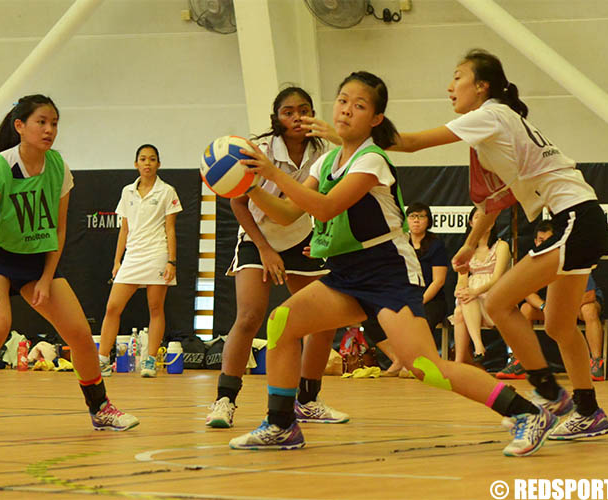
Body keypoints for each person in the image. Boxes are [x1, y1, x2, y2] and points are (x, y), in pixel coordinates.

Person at [230, 71, 555, 457]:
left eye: (360, 105)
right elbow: (287, 214)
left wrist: (269, 173)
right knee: (282, 323)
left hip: (388, 274)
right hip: (347, 274)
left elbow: (325, 207)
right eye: (343, 100)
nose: (347, 109)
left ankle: (526, 411)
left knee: (427, 368)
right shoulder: (328, 161)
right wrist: (248, 185)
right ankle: (282, 425)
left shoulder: (373, 160)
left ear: (376, 120)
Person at [390, 49, 608, 440]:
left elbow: (409, 143)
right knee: (561, 324)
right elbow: (494, 204)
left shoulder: (488, 116)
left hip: (575, 216)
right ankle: (589, 411)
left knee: (496, 302)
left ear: (482, 86)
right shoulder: (500, 125)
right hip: (580, 216)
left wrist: (352, 130)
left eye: (457, 76)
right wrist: (470, 244)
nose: (449, 86)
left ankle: (549, 393)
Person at [0, 94, 138, 435]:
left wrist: (46, 278)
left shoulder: (59, 167)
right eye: (41, 122)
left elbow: (59, 229)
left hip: (35, 258)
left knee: (79, 334)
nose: (49, 130)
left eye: (54, 123)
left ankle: (100, 408)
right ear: (20, 126)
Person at [206, 86, 347, 429]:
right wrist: (265, 250)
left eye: (304, 110)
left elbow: (320, 204)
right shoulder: (258, 150)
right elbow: (238, 202)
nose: (297, 117)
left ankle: (308, 400)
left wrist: (323, 241)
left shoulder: (324, 152)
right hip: (258, 238)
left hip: (300, 238)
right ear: (277, 118)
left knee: (325, 321)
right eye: (288, 111)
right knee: (251, 315)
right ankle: (225, 399)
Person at [98, 144, 181, 378]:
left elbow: (171, 229)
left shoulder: (167, 191)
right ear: (136, 164)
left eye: (152, 159)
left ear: (158, 164)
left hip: (157, 254)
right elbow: (124, 229)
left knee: (155, 308)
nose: (147, 163)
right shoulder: (127, 192)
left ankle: (150, 361)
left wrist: (171, 262)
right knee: (112, 307)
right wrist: (117, 262)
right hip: (132, 257)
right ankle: (103, 360)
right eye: (143, 159)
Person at [498, 220, 607, 381]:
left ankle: (596, 362)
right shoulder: (532, 261)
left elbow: (589, 295)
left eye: (548, 240)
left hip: (578, 305)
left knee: (588, 309)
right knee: (526, 309)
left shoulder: (571, 257)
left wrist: (562, 308)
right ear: (535, 242)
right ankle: (520, 361)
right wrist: (545, 306)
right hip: (554, 308)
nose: (544, 244)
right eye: (541, 240)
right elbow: (528, 293)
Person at [362, 202, 450, 375]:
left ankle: (417, 363)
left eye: (421, 216)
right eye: (412, 216)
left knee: (422, 317)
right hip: (401, 296)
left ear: (428, 220)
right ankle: (397, 359)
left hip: (430, 299)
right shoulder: (400, 243)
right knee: (370, 316)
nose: (416, 221)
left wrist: (418, 301)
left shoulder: (435, 245)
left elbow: (438, 281)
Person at [450, 207, 510, 365]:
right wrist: (460, 290)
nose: (482, 221)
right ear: (471, 223)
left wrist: (474, 292)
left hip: (494, 296)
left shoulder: (501, 246)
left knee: (460, 310)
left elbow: (497, 278)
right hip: (472, 297)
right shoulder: (466, 250)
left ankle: (464, 358)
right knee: (460, 307)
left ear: (492, 222)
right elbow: (461, 278)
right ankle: (473, 351)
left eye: (485, 217)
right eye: (477, 217)